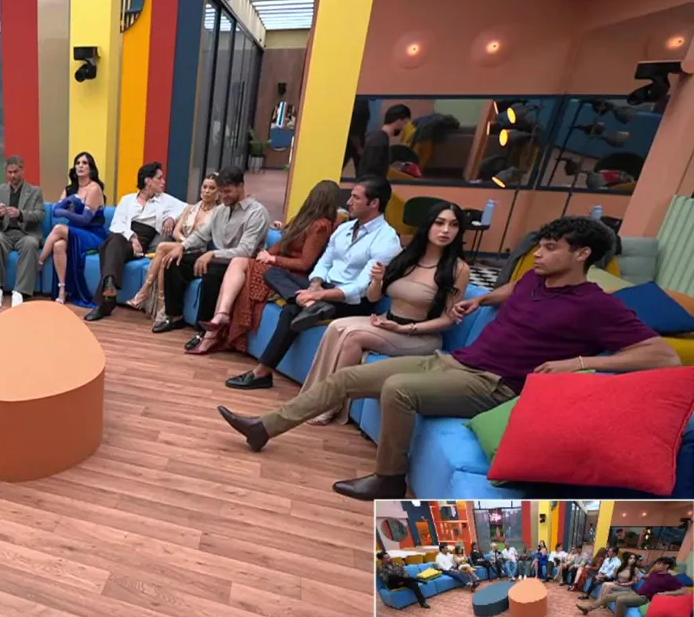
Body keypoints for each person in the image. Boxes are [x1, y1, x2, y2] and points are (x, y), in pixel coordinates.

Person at [217, 216, 680, 500]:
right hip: (456, 363)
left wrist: (578, 364)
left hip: (494, 384)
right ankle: (265, 428)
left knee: (398, 390)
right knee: (348, 377)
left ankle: (389, 479)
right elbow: (511, 290)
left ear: (582, 254)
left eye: (551, 248)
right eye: (541, 245)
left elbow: (661, 356)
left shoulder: (597, 305)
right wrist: (482, 300)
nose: (538, 253)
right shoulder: (535, 280)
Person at [297, 201, 470, 424]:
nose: (446, 230)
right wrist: (377, 281)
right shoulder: (408, 257)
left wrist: (406, 328)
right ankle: (314, 397)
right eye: (440, 223)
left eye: (453, 225)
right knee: (336, 326)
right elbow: (373, 298)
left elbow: (448, 320)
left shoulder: (459, 269)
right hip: (388, 323)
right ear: (428, 225)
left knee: (352, 335)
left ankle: (331, 403)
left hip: (420, 336)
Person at [225, 174, 401, 391]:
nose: (348, 202)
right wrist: (315, 284)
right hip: (323, 289)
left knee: (291, 310)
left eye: (355, 197)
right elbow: (324, 262)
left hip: (351, 301)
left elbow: (360, 287)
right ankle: (307, 304)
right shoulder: (344, 229)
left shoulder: (387, 239)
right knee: (271, 272)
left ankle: (261, 373)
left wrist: (319, 295)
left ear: (374, 203)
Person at [194, 179, 341, 356]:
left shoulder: (320, 226)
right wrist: (264, 256)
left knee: (238, 267)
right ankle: (220, 317)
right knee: (238, 263)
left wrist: (272, 259)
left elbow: (305, 263)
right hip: (278, 268)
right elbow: (281, 245)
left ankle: (214, 330)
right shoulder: (302, 220)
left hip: (291, 274)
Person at [148, 166, 269, 334]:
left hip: (239, 264)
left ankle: (203, 331)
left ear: (241, 186)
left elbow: (245, 251)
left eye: (228, 191)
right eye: (221, 192)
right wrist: (182, 246)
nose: (223, 196)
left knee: (212, 273)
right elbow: (202, 235)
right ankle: (174, 316)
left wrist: (212, 254)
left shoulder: (256, 213)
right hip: (217, 258)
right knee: (174, 261)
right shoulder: (220, 210)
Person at [83, 162, 186, 322]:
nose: (163, 182)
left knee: (108, 246)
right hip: (125, 238)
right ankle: (109, 288)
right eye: (159, 178)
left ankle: (106, 299)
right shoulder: (127, 200)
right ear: (147, 181)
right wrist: (132, 237)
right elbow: (116, 224)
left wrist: (172, 218)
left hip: (142, 243)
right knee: (114, 241)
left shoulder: (165, 200)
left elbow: (189, 208)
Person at [125, 173, 221, 319]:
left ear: (218, 192)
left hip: (198, 250)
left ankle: (145, 292)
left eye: (212, 188)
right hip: (181, 245)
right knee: (165, 258)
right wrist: (184, 242)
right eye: (205, 187)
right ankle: (161, 306)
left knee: (162, 247)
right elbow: (176, 231)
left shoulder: (218, 213)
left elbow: (208, 238)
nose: (207, 191)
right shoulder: (190, 208)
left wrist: (186, 244)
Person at [39, 152, 107, 306]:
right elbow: (55, 211)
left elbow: (85, 219)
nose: (80, 166)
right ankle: (62, 290)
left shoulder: (94, 188)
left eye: (85, 163)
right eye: (78, 163)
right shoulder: (70, 189)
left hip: (93, 234)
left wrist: (66, 211)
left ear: (91, 168)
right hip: (73, 231)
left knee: (58, 228)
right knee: (58, 245)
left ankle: (39, 262)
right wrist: (70, 199)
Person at [0, 156, 46, 309]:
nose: (12, 175)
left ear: (22, 171)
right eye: (9, 172)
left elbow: (40, 215)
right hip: (5, 233)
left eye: (15, 172)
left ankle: (20, 291)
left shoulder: (35, 191)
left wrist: (20, 214)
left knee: (31, 244)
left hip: (26, 233)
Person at [578, 557, 688, 617]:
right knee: (608, 596)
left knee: (620, 600)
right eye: (656, 563)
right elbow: (645, 576)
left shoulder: (670, 578)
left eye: (659, 564)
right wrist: (639, 577)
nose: (655, 565)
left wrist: (665, 594)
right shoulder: (654, 573)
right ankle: (588, 609)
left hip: (644, 598)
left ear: (666, 566)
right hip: (635, 593)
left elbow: (685, 591)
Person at [357, 103, 411, 178]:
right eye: (405, 122)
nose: (404, 127)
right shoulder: (378, 140)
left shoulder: (379, 137)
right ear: (398, 121)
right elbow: (371, 169)